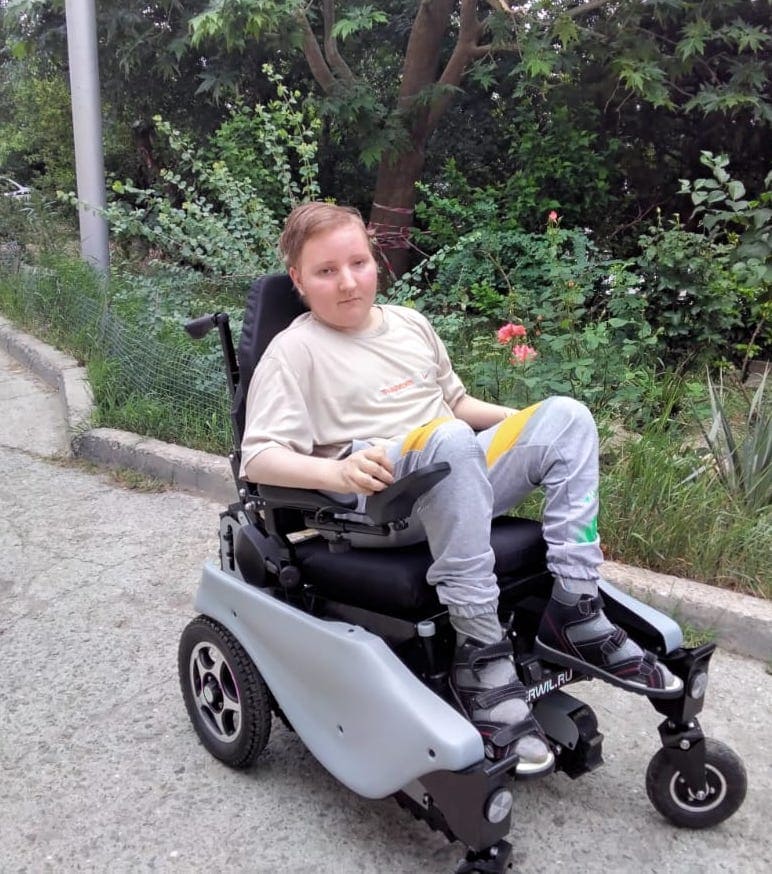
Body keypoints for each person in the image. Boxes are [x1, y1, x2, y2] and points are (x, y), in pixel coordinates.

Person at [240, 202, 682, 777]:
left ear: (375, 261)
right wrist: (335, 473)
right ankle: (480, 652)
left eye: (358, 263)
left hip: (456, 470)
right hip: (377, 505)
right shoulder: (294, 352)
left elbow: (457, 404)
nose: (348, 282)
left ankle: (575, 610)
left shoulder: (410, 324)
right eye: (326, 271)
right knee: (449, 439)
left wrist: (537, 427)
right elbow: (259, 457)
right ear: (298, 280)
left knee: (568, 415)